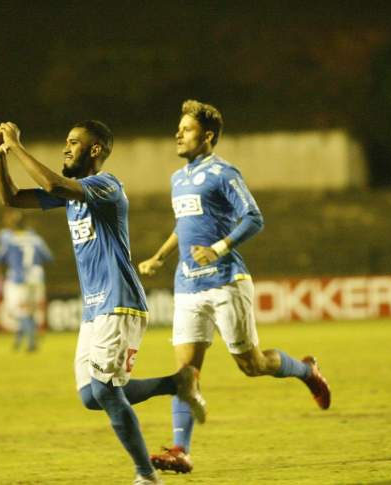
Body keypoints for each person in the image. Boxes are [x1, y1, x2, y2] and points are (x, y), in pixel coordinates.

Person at [0, 119, 207, 485]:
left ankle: (146, 475)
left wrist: (15, 145)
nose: (65, 148)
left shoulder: (106, 186)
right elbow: (12, 197)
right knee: (91, 396)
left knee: (106, 391)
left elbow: (51, 183)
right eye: (66, 141)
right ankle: (178, 382)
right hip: (94, 309)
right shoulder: (70, 195)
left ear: (94, 151)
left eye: (73, 143)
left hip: (120, 302)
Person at [138, 100, 332, 474]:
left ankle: (306, 371)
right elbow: (184, 223)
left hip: (226, 282)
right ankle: (181, 449)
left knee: (253, 365)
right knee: (185, 373)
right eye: (178, 127)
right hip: (188, 285)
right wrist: (160, 255)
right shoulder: (177, 178)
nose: (178, 133)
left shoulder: (224, 173)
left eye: (187, 129)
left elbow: (254, 217)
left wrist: (219, 247)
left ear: (207, 136)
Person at [0, 208, 53, 352]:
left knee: (17, 311)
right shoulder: (36, 238)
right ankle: (19, 341)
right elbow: (48, 257)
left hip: (18, 278)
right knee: (30, 311)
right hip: (36, 278)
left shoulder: (7, 237)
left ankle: (32, 340)